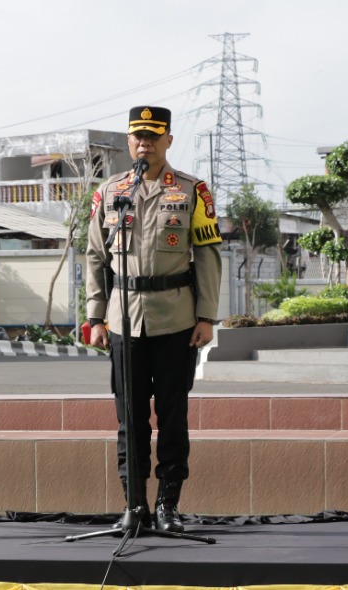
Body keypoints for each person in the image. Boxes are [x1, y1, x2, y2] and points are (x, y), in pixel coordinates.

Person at [85, 106, 223, 533]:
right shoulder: (110, 193)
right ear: (129, 142)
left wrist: (207, 316)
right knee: (130, 420)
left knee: (172, 416)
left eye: (152, 136)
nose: (144, 143)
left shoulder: (191, 190)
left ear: (168, 141)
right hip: (123, 320)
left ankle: (167, 505)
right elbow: (94, 256)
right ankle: (133, 506)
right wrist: (94, 315)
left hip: (176, 320)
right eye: (137, 137)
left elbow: (207, 254)